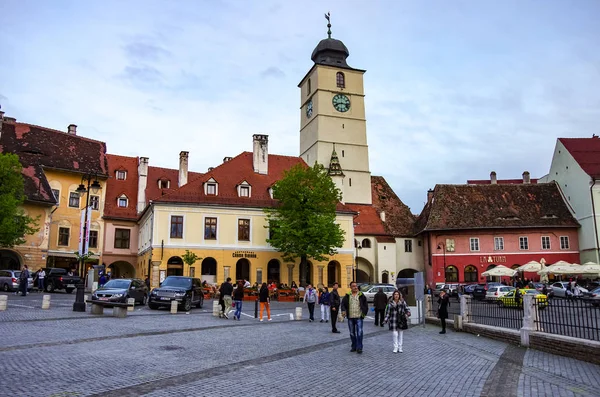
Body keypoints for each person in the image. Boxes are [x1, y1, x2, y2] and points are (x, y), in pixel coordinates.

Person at [341, 281, 369, 354]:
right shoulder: (347, 295)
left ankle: (359, 347)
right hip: (350, 317)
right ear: (350, 287)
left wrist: (364, 314)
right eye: (353, 286)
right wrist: (343, 310)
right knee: (352, 333)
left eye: (356, 286)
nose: (355, 287)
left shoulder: (361, 295)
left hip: (359, 317)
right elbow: (343, 304)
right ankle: (354, 346)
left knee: (359, 332)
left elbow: (366, 306)